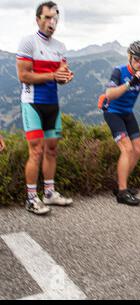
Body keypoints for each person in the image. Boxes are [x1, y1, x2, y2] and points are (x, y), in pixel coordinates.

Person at [16, 1, 74, 215]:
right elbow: (23, 76)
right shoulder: (28, 42)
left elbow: (61, 75)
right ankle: (31, 198)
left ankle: (49, 193)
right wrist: (52, 75)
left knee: (51, 149)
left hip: (52, 104)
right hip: (32, 103)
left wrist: (65, 78)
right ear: (38, 19)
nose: (52, 22)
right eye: (48, 18)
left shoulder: (60, 46)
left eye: (55, 18)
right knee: (36, 151)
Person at [100, 41, 140, 206]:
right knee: (127, 149)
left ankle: (122, 185)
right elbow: (109, 94)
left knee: (139, 149)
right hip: (113, 113)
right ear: (129, 56)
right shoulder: (119, 71)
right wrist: (130, 83)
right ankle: (122, 192)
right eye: (137, 58)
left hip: (127, 113)